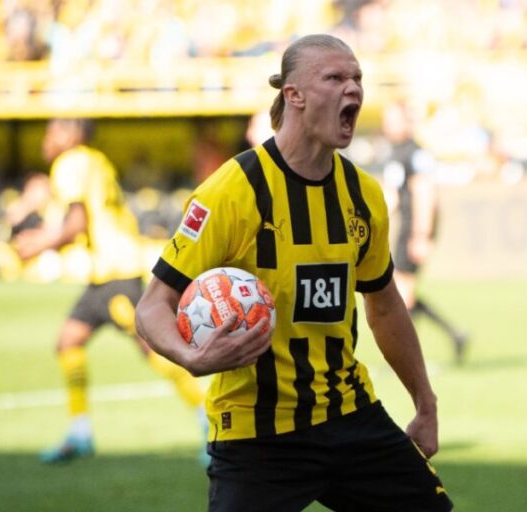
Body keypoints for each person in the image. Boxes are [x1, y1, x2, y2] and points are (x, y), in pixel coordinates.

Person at [135, 34, 453, 511]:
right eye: (335, 77)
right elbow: (153, 305)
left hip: (349, 414)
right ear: (294, 95)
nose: (353, 89)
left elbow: (385, 307)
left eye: (357, 78)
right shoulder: (229, 192)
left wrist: (424, 403)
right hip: (256, 433)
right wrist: (190, 357)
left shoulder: (362, 195)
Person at [13, 118, 209, 465]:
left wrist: (39, 243)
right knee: (69, 341)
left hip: (116, 273)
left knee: (155, 349)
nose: (45, 139)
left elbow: (76, 225)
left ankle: (207, 420)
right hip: (104, 275)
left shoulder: (70, 162)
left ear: (72, 134)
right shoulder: (94, 159)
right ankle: (80, 432)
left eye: (52, 131)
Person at [381, 100, 469, 365]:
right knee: (402, 293)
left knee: (401, 293)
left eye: (394, 119)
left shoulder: (415, 153)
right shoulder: (397, 152)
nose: (388, 126)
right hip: (405, 228)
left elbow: (424, 192)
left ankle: (409, 358)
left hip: (413, 228)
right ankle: (454, 335)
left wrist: (421, 234)